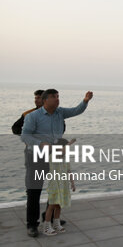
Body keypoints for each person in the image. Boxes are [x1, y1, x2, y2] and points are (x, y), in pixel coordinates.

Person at [20, 89, 93, 238]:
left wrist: (85, 100)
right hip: (36, 156)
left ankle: (50, 217)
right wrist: (41, 144)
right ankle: (32, 225)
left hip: (55, 157)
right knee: (34, 191)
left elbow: (76, 110)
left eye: (58, 96)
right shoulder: (33, 116)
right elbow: (25, 136)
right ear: (45, 100)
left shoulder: (60, 112)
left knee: (55, 189)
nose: (57, 99)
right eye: (54, 97)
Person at [42, 138, 76, 236]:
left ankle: (57, 224)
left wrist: (72, 183)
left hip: (63, 185)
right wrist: (70, 143)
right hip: (55, 185)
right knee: (52, 205)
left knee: (59, 205)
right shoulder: (52, 156)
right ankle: (47, 226)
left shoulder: (65, 159)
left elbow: (69, 171)